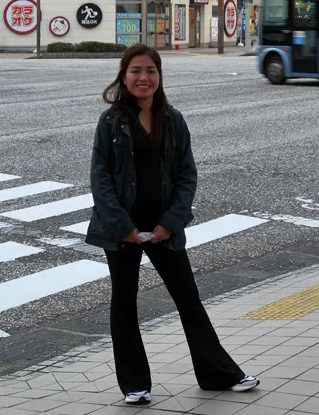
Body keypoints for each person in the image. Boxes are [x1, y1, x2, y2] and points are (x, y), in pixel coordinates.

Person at [86, 44, 258, 405]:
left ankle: (217, 374)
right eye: (135, 71)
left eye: (150, 70)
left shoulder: (172, 119)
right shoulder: (111, 122)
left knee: (188, 298)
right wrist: (123, 227)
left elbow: (186, 175)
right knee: (124, 302)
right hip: (122, 231)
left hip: (164, 227)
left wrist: (171, 221)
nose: (143, 78)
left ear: (159, 76)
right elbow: (100, 180)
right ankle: (135, 384)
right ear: (124, 76)